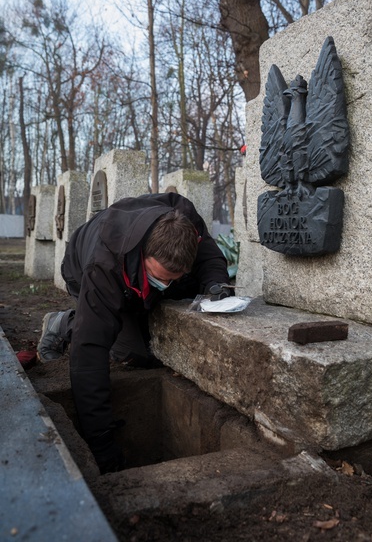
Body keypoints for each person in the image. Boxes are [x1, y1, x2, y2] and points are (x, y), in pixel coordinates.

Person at [37, 192, 231, 473]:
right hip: (81, 269)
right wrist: (101, 443)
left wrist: (216, 286)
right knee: (130, 351)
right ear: (144, 254)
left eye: (171, 280)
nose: (164, 285)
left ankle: (138, 299)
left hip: (132, 278)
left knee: (150, 332)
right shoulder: (102, 267)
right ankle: (64, 323)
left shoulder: (185, 223)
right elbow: (89, 354)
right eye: (159, 278)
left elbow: (210, 257)